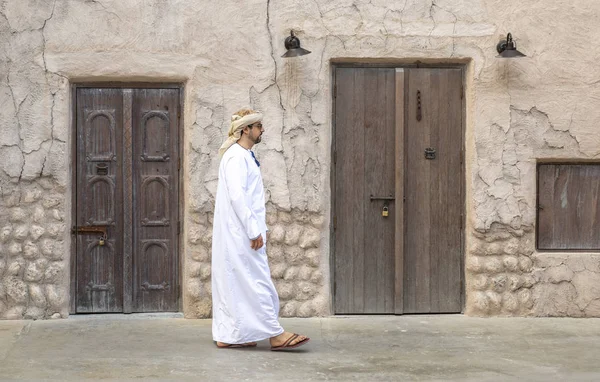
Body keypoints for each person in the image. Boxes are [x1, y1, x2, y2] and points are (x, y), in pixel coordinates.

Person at [211, 108, 310, 351]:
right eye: (259, 126)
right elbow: (237, 197)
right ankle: (275, 334)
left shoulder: (242, 155)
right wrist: (253, 230)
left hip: (242, 231)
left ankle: (231, 334)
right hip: (242, 233)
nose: (262, 130)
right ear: (246, 129)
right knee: (257, 281)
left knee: (237, 281)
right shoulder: (236, 157)